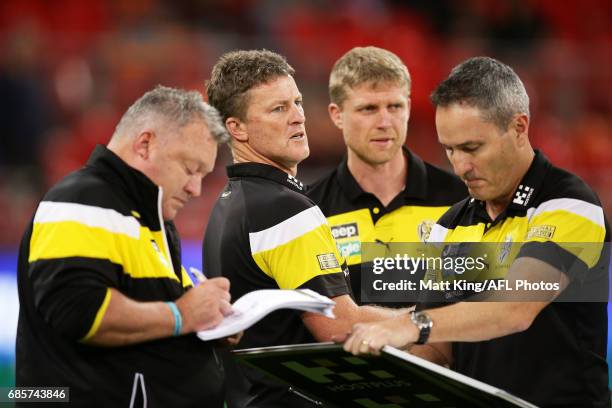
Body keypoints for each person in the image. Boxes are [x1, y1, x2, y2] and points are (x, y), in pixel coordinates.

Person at [342, 56, 610, 407]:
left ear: (519, 127)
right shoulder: (449, 225)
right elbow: (437, 348)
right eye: (449, 150)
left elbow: (515, 309)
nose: (460, 166)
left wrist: (409, 324)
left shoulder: (570, 204)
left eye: (472, 148)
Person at [203, 49, 409, 407]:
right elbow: (339, 326)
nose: (298, 117)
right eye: (278, 109)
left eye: (296, 102)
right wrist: (427, 324)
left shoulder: (227, 206)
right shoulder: (284, 209)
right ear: (236, 128)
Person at [16, 86, 234, 407]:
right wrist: (181, 315)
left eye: (203, 175)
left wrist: (210, 322)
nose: (196, 189)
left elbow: (159, 326)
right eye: (190, 169)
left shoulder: (150, 220)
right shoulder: (84, 199)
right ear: (144, 145)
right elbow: (78, 310)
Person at [307, 46, 466, 305]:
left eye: (394, 106)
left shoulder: (461, 200)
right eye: (368, 109)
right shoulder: (311, 212)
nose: (384, 122)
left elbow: (479, 307)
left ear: (409, 108)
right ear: (337, 115)